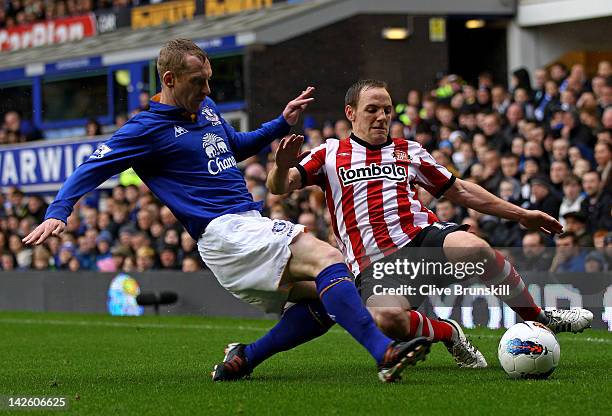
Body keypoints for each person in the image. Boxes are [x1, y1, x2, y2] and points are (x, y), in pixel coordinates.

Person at [22, 39, 428, 383]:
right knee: (328, 257)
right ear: (169, 80)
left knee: (328, 298)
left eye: (210, 80)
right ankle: (384, 354)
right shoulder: (145, 128)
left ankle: (244, 359)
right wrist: (60, 210)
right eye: (198, 82)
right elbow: (92, 166)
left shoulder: (207, 110)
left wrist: (280, 123)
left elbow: (234, 145)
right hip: (223, 232)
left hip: (246, 227)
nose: (207, 89)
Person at [261, 79, 593, 368]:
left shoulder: (410, 151)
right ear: (351, 113)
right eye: (372, 109)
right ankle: (449, 332)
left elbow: (460, 190)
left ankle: (539, 317)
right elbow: (281, 186)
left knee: (476, 249)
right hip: (373, 265)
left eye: (387, 110)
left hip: (422, 240)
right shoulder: (329, 154)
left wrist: (522, 215)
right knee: (387, 320)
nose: (382, 117)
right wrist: (280, 166)